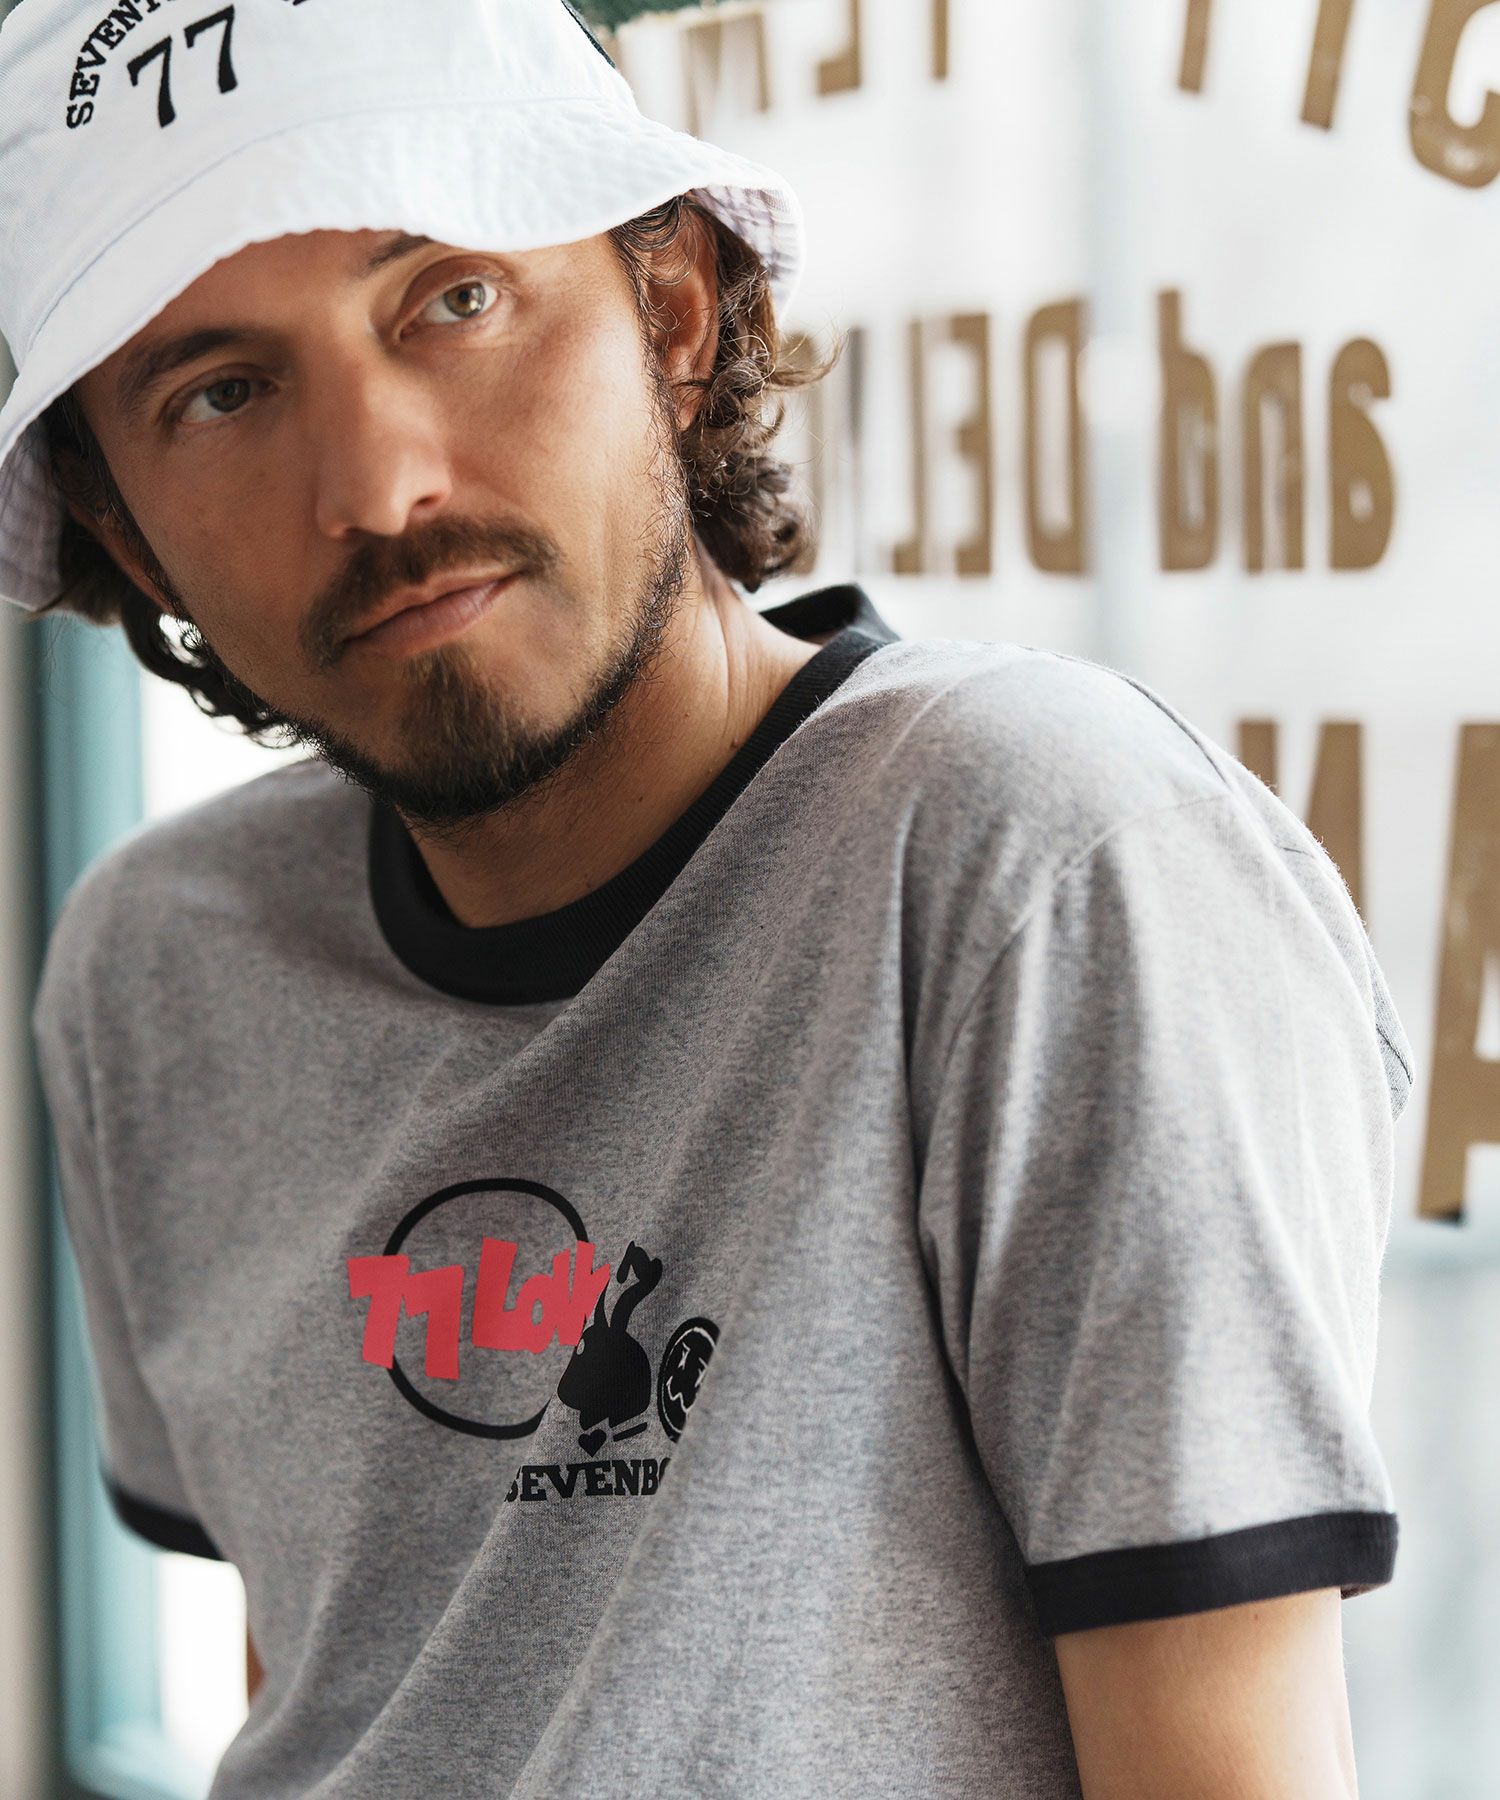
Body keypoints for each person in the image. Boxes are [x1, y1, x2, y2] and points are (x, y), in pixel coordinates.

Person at [2, 1, 1414, 1795]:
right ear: (126, 531)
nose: (378, 486)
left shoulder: (1047, 862)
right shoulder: (159, 965)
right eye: (221, 392)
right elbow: (344, 1670)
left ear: (670, 309)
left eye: (454, 297)